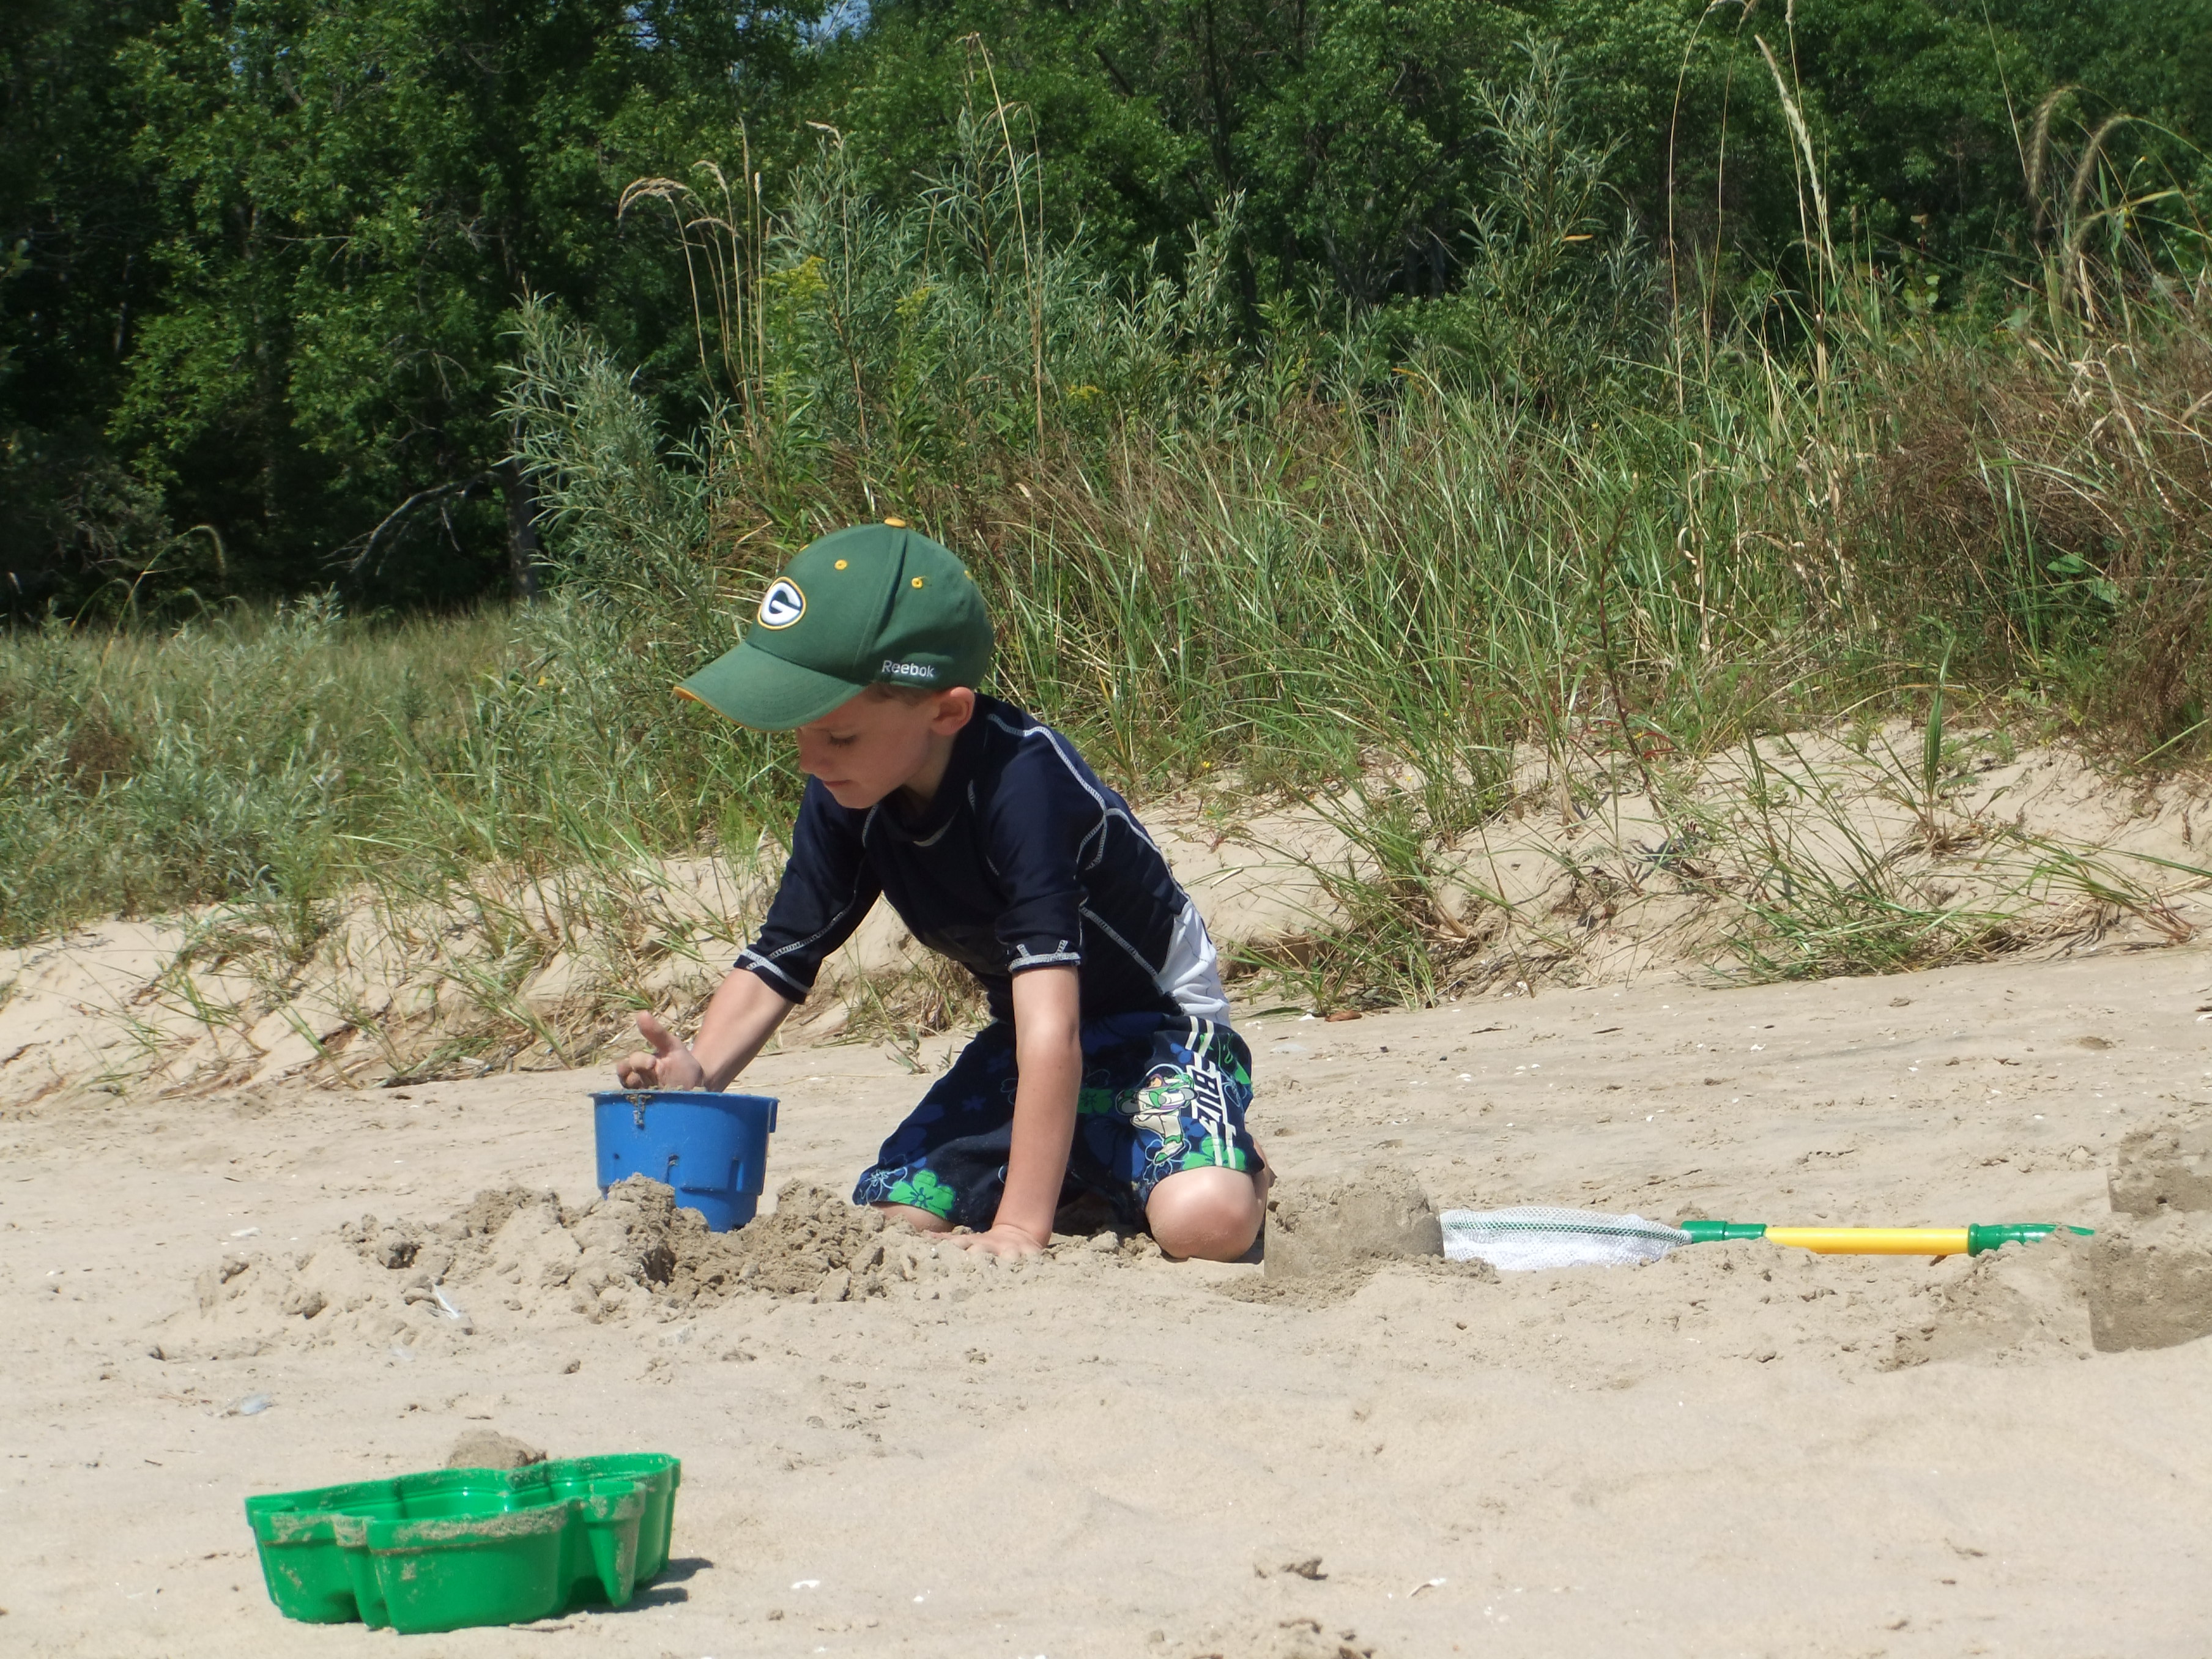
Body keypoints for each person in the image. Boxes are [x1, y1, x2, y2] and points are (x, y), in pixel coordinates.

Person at [615, 522, 1266, 1262]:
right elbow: (781, 956)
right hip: (1021, 1045)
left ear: (947, 711)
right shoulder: (846, 791)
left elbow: (1055, 1023)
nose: (809, 757)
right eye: (798, 730)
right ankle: (1097, 1169)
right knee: (896, 1217)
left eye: (839, 735)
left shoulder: (1026, 785)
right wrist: (699, 1074)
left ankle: (1228, 1161)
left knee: (1205, 1224)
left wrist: (1020, 1228)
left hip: (1158, 1030)